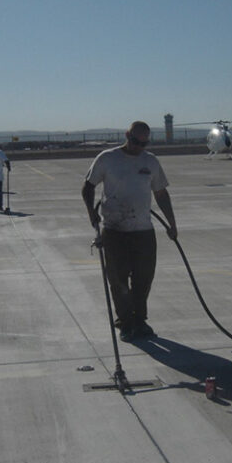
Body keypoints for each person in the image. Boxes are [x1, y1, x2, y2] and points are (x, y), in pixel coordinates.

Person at [82, 121, 177, 342]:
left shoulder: (150, 161)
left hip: (143, 231)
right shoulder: (107, 158)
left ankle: (139, 320)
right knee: (118, 280)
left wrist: (172, 224)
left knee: (144, 279)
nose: (139, 147)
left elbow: (161, 194)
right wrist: (91, 213)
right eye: (135, 141)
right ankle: (125, 321)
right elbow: (88, 187)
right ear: (127, 135)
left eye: (144, 143)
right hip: (114, 230)